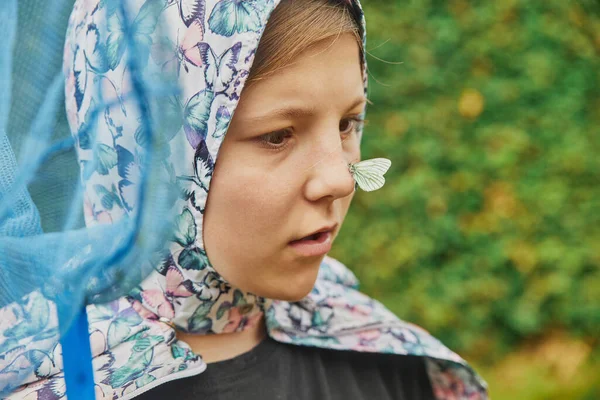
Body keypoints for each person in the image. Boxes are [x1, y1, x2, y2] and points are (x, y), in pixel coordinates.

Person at [8, 0, 487, 398]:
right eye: (278, 135)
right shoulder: (63, 379)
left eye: (347, 124)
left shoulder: (381, 362)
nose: (341, 179)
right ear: (147, 152)